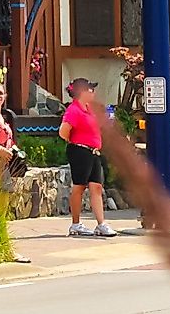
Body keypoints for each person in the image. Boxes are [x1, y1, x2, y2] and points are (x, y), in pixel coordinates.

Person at [58, 79, 116, 238]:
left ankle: (101, 223)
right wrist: (75, 141)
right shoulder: (73, 110)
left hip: (93, 151)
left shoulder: (90, 109)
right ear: (81, 92)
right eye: (90, 89)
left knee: (96, 186)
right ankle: (75, 224)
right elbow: (63, 131)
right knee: (79, 186)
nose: (93, 92)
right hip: (80, 151)